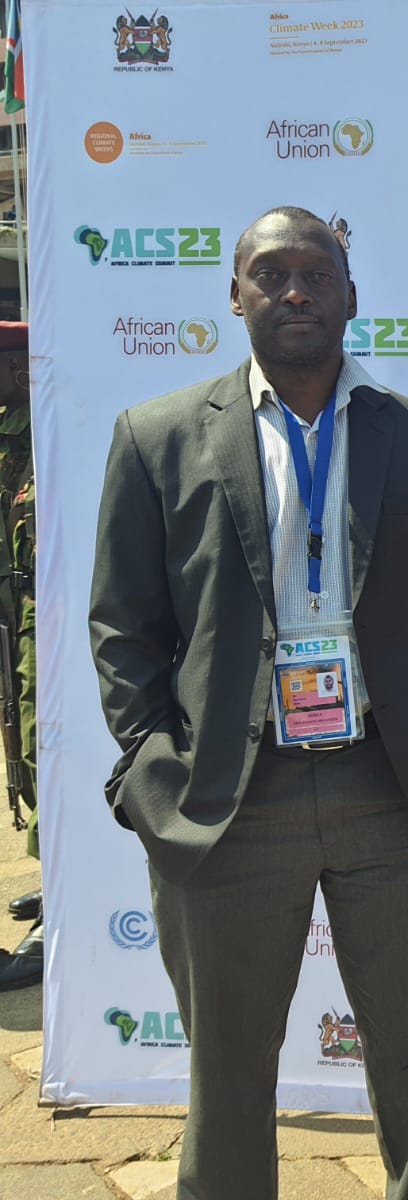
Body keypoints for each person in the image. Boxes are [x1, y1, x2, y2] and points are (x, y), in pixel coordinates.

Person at [88, 206, 408, 1200]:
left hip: (395, 797)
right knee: (226, 1082)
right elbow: (122, 628)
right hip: (230, 797)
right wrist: (154, 771)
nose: (296, 291)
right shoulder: (157, 437)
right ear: (235, 297)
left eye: (316, 272)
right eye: (270, 274)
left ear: (352, 296)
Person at [0, 324, 39, 991]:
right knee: (20, 757)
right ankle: (52, 881)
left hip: (44, 613)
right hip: (16, 609)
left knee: (39, 752)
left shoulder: (47, 423)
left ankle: (59, 908)